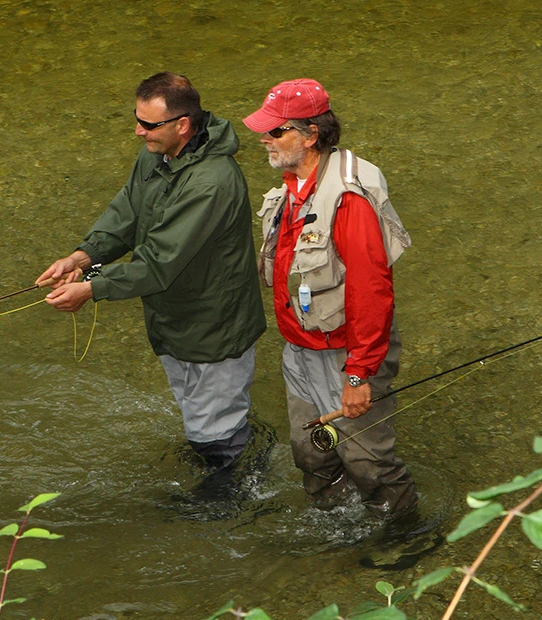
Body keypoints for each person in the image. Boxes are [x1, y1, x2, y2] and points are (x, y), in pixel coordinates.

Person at [38, 72, 265, 470]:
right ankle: (230, 448)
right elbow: (126, 213)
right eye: (137, 119)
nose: (137, 131)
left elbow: (159, 261)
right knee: (202, 418)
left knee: (215, 432)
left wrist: (91, 289)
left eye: (147, 124)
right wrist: (81, 258)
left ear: (182, 124)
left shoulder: (211, 183)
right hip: (174, 319)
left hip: (213, 329)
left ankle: (226, 500)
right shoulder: (155, 154)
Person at [242, 79, 417, 519]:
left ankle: (406, 537)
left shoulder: (349, 201)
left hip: (346, 354)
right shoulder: (294, 185)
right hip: (301, 347)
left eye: (276, 131)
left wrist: (358, 375)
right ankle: (334, 526)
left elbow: (372, 292)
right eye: (266, 129)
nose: (264, 138)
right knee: (312, 450)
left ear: (311, 134)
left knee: (369, 461)